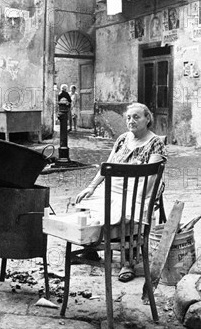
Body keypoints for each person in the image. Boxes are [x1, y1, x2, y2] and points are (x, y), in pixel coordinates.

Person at [75, 102, 167, 282]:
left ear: (147, 118)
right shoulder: (123, 139)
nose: (131, 121)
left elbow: (153, 174)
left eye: (136, 117)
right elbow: (107, 166)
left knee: (127, 209)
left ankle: (128, 261)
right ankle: (91, 248)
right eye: (128, 118)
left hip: (140, 186)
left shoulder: (155, 142)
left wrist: (139, 198)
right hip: (115, 184)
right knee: (85, 203)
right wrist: (92, 186)